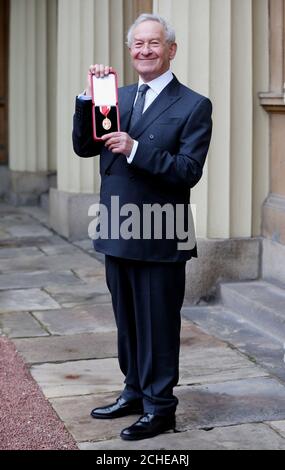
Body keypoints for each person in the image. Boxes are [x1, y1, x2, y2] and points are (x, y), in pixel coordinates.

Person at [73, 13, 212, 441]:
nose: (145, 51)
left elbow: (188, 171)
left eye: (154, 43)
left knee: (157, 325)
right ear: (130, 51)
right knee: (128, 322)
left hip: (161, 233)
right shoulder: (117, 96)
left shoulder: (193, 105)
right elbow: (84, 147)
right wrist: (88, 97)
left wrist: (135, 149)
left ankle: (160, 407)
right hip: (117, 226)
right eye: (138, 45)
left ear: (171, 50)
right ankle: (134, 391)